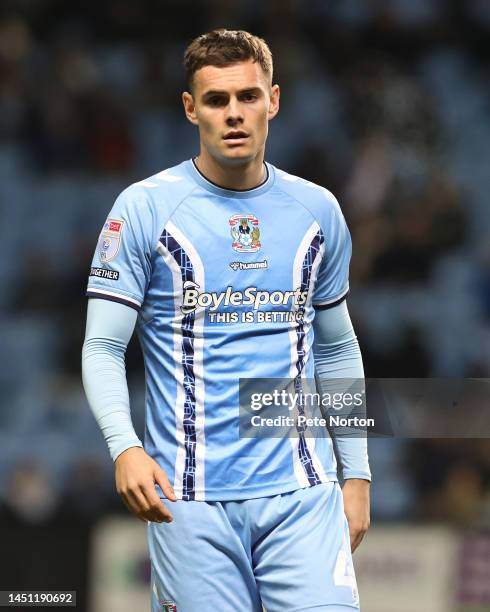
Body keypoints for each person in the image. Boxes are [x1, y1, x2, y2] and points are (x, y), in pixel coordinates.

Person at [82, 29, 371, 612]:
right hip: (189, 504)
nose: (234, 114)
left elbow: (337, 349)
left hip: (303, 494)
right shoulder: (143, 209)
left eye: (248, 96)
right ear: (191, 108)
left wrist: (357, 473)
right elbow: (102, 347)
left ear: (274, 100)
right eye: (216, 100)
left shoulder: (318, 210)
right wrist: (124, 447)